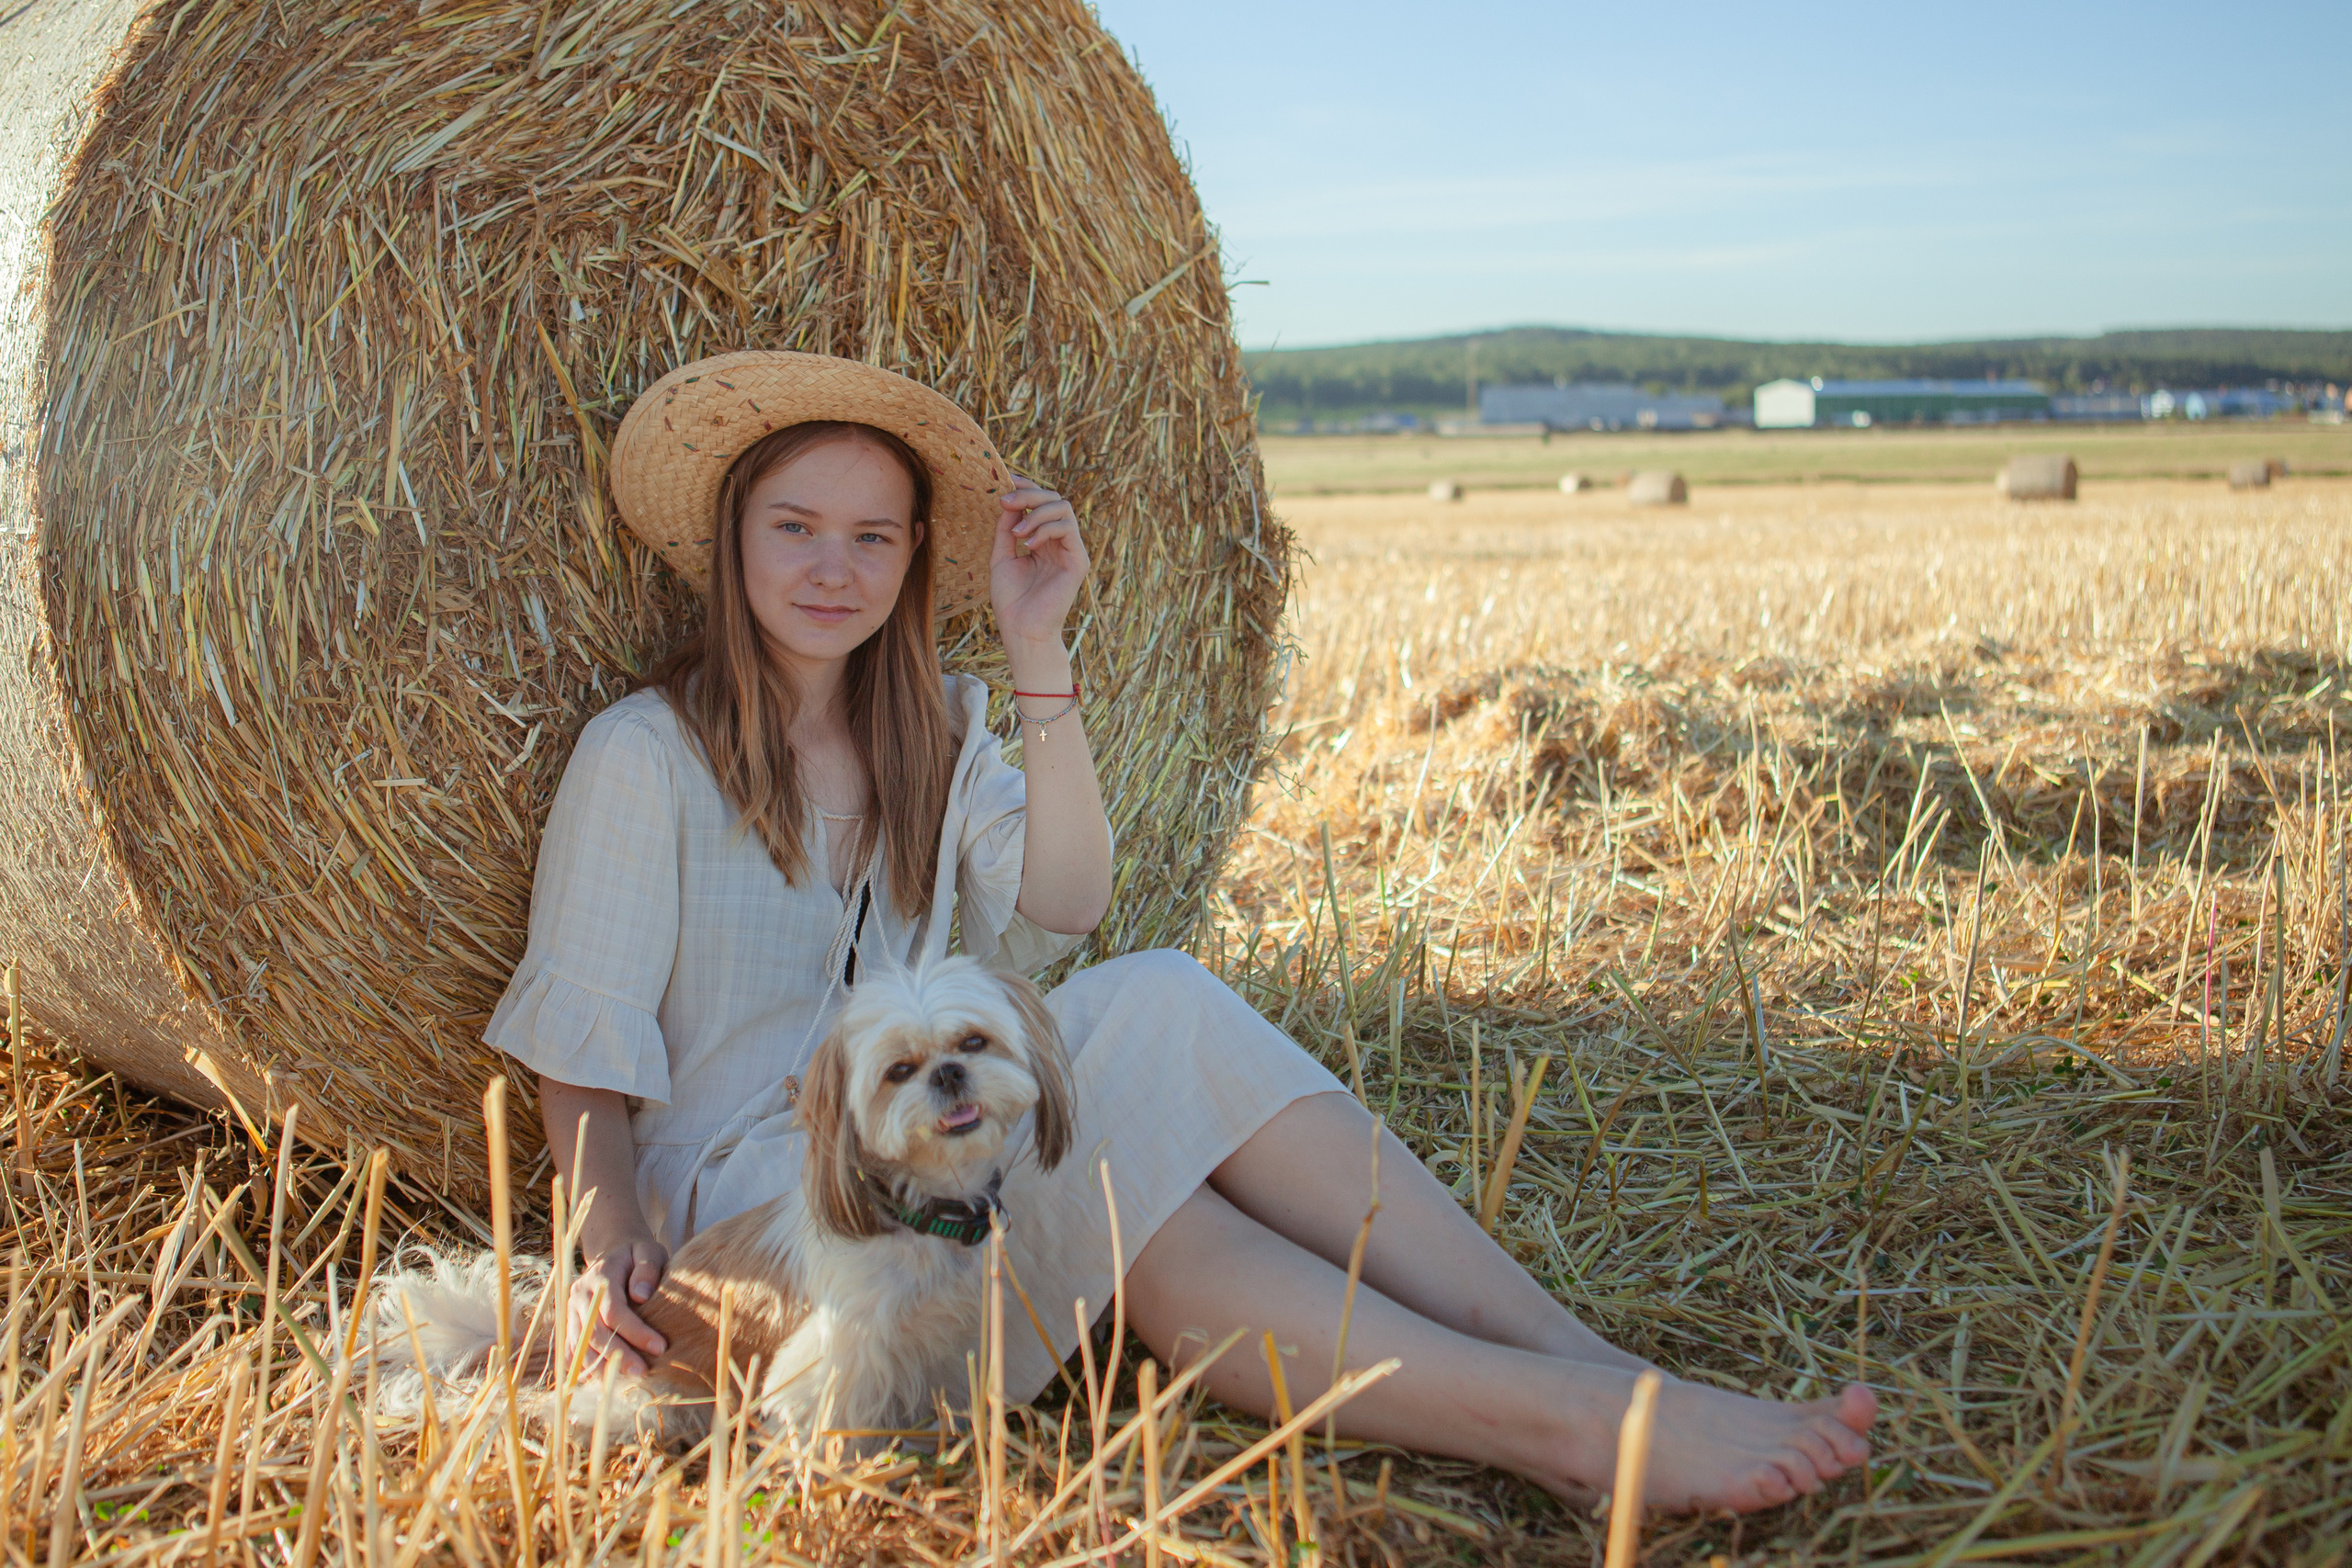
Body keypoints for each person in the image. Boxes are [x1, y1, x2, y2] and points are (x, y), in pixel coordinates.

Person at [490, 350, 1876, 1511]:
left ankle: (1588, 1381)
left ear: (913, 559)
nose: (831, 568)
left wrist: (1039, 652)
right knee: (1138, 1078)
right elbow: (581, 1064)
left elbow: (1064, 902)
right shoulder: (645, 756)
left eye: (873, 536)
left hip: (939, 1151)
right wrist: (607, 1255)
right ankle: (1576, 1415)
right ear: (733, 538)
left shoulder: (941, 730)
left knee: (1146, 1092)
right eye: (795, 526)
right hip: (770, 1219)